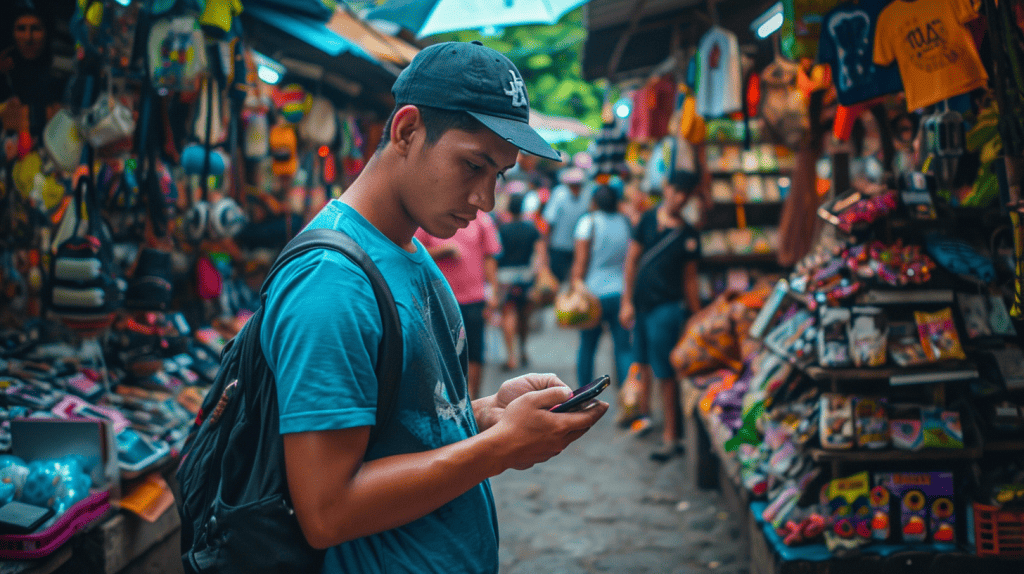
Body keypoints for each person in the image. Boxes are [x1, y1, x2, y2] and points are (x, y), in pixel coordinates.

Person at [256, 41, 607, 573]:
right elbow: (327, 511)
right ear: (406, 131)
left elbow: (403, 431)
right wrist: (500, 449)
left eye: (498, 175)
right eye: (472, 165)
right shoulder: (331, 283)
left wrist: (487, 415)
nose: (485, 198)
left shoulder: (408, 250)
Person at [619, 171, 702, 462]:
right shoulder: (646, 220)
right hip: (641, 306)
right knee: (641, 364)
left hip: (667, 308)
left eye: (686, 193)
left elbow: (690, 279)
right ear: (666, 189)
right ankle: (644, 417)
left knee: (666, 373)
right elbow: (631, 261)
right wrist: (626, 301)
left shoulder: (689, 234)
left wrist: (695, 315)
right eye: (676, 190)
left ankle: (671, 435)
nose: (679, 198)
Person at [415, 212, 502, 399]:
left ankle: (473, 400)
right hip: (439, 301)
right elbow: (412, 251)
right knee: (444, 354)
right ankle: (452, 400)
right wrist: (443, 250)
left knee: (475, 352)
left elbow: (490, 256)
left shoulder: (481, 219)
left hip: (474, 299)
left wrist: (493, 291)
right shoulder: (430, 215)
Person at [569, 184, 632, 390]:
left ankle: (583, 396)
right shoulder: (625, 222)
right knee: (623, 349)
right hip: (620, 292)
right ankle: (627, 399)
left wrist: (574, 286)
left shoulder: (588, 223)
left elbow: (581, 262)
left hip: (592, 295)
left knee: (587, 347)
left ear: (594, 202)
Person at [496, 192, 546, 371]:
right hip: (526, 276)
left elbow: (494, 255)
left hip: (505, 277)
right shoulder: (531, 229)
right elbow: (541, 254)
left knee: (508, 314)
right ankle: (523, 350)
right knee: (524, 315)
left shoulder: (502, 229)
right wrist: (540, 274)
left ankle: (511, 357)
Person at [543, 165, 591, 283]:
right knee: (556, 282)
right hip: (558, 248)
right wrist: (544, 250)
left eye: (578, 184)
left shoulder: (586, 196)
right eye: (573, 185)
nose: (576, 187)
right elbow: (548, 222)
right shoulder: (559, 194)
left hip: (577, 249)